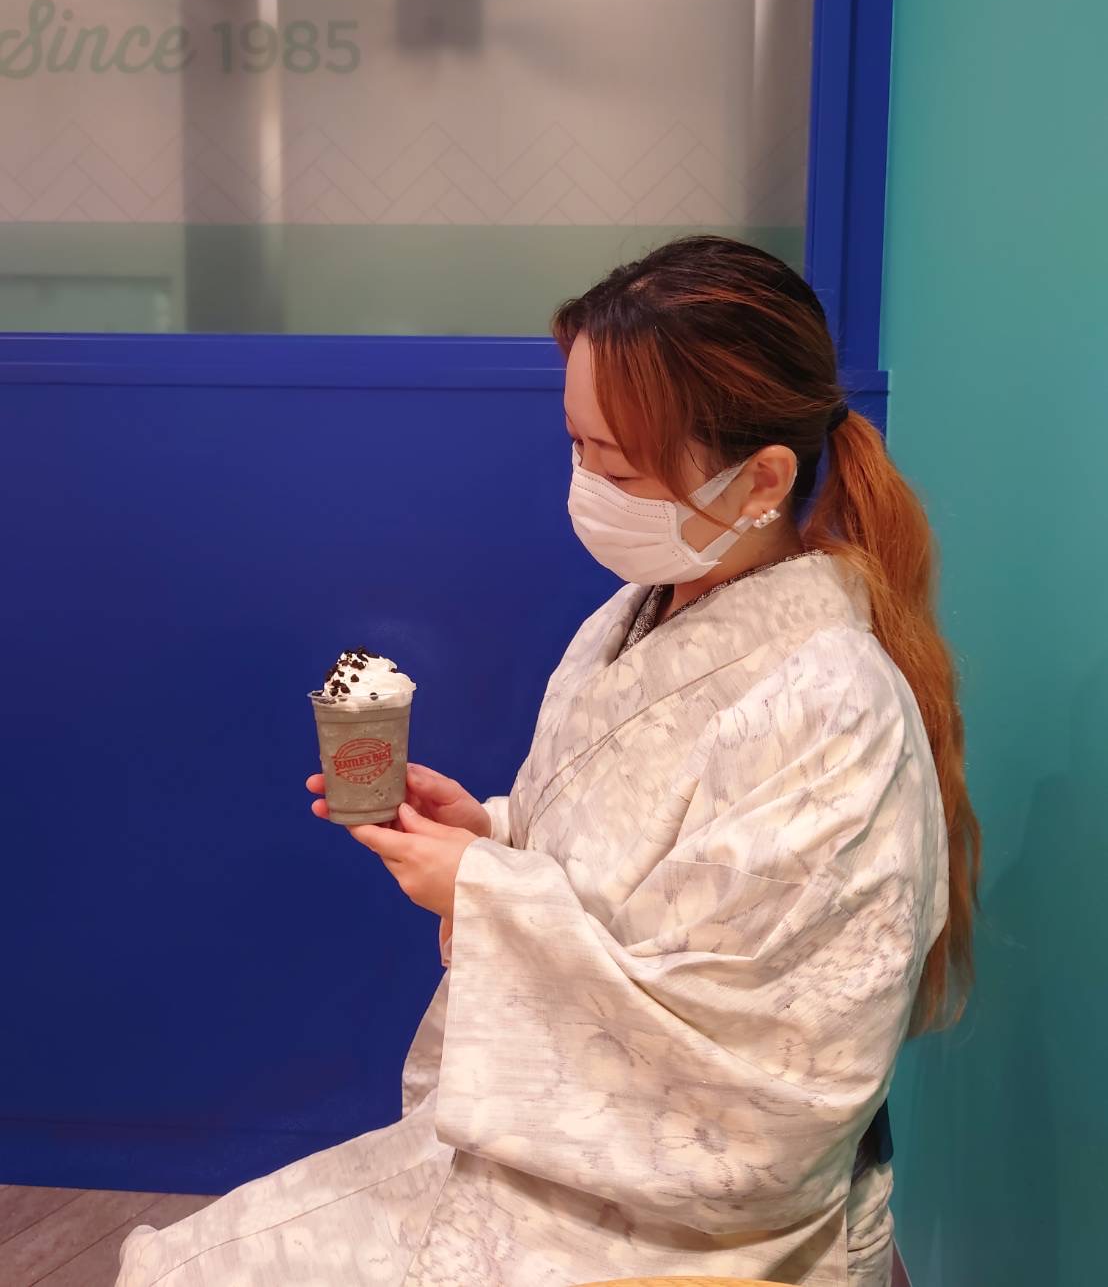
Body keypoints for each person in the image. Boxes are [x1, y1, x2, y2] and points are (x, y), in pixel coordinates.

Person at [117, 236, 979, 1287]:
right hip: (560, 1162)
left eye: (617, 465)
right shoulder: (624, 622)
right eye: (577, 446)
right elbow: (620, 875)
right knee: (186, 1263)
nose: (587, 486)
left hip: (683, 1229)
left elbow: (770, 1079)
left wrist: (484, 892)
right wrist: (491, 831)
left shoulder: (834, 707)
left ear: (761, 478)